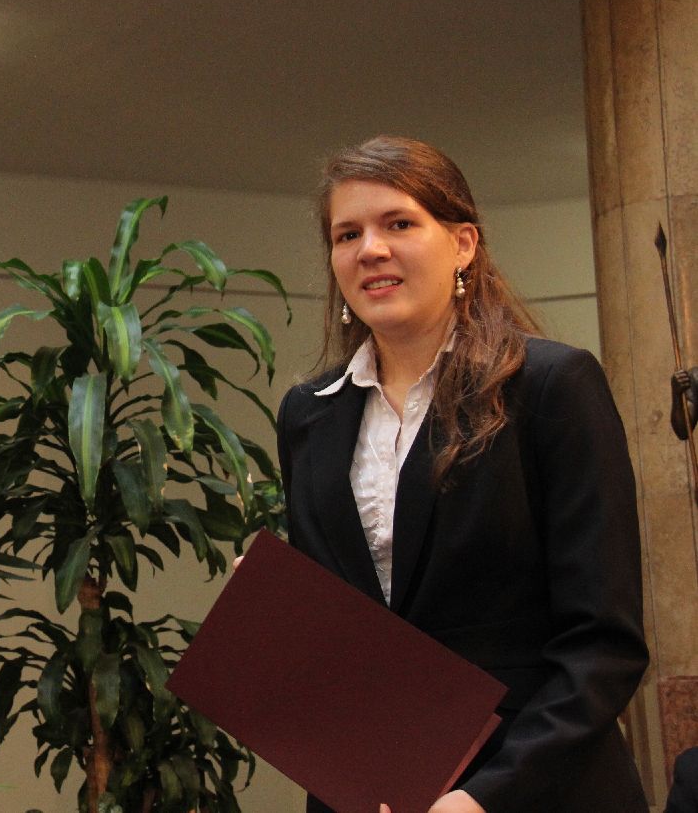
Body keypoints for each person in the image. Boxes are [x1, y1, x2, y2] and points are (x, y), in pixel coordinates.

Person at [277, 136, 648, 813]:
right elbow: (344, 644)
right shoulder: (308, 415)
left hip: (536, 789)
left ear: (464, 244)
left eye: (399, 223)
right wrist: (280, 611)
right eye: (347, 234)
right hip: (372, 792)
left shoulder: (552, 385)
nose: (370, 250)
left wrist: (482, 797)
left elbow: (603, 644)